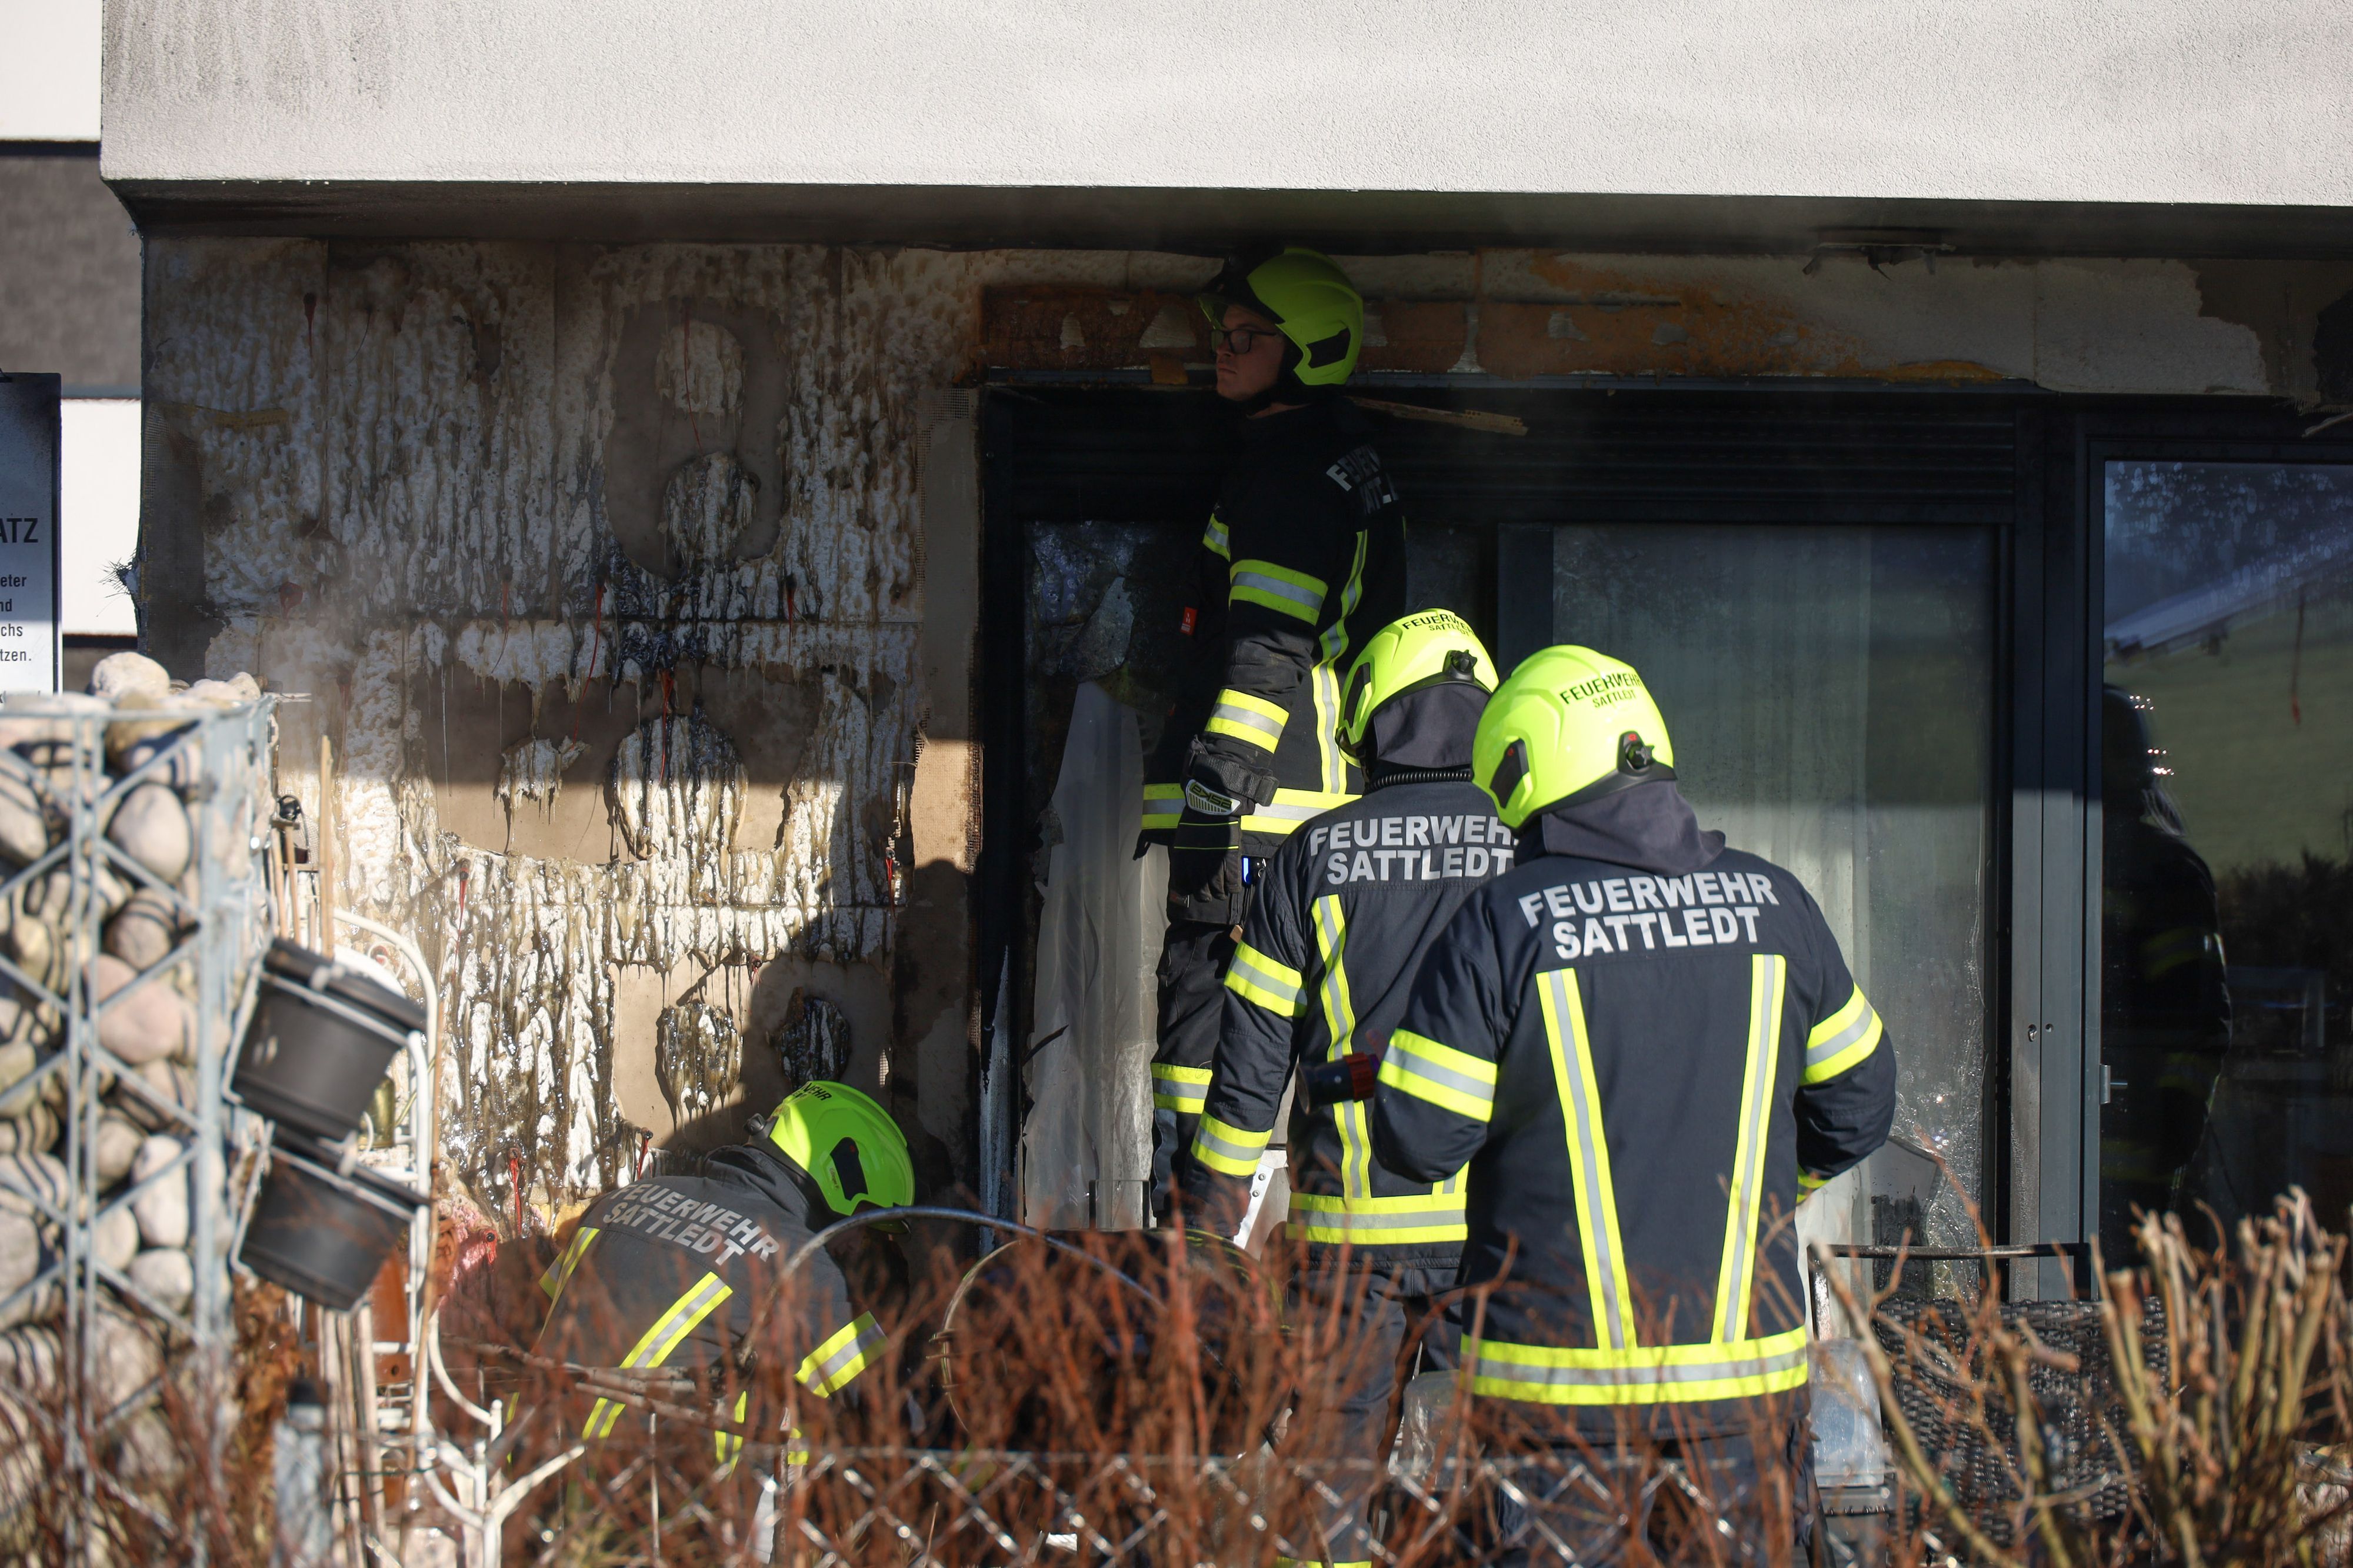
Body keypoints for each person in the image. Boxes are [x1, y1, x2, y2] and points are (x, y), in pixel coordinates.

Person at [1371, 647, 1897, 1560]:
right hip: (1745, 1395)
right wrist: (1772, 1183)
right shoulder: (1779, 907)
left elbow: (1419, 1138)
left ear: (1525, 769)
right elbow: (1859, 1107)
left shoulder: (1503, 921)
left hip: (1555, 1407)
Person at [1181, 610, 1513, 1568]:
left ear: (1371, 713)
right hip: (1489, 1245)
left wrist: (1208, 1229)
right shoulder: (1528, 850)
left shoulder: (1313, 857)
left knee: (1322, 1499)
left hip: (1349, 1253)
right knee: (1477, 1490)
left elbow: (1246, 1071)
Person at [1141, 245, 1407, 1217]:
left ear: (1309, 352)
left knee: (1210, 1015)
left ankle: (1197, 1230)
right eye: (1224, 332)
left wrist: (1219, 785)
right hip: (1303, 802)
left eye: (1248, 337)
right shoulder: (1327, 456)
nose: (1225, 349)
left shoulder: (1290, 473)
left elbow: (1268, 642)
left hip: (1259, 810)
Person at [532, 1080, 913, 1466]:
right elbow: (904, 1422)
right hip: (650, 1512)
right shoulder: (807, 1269)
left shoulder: (616, 1204)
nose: (859, 1243)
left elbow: (530, 1321)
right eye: (864, 1222)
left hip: (516, 1483)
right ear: (839, 1179)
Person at [2097, 685, 2230, 1248]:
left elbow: (2194, 1021)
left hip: (2130, 1174)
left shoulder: (2163, 873)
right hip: (2070, 1160)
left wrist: (2170, 1131)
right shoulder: (2050, 859)